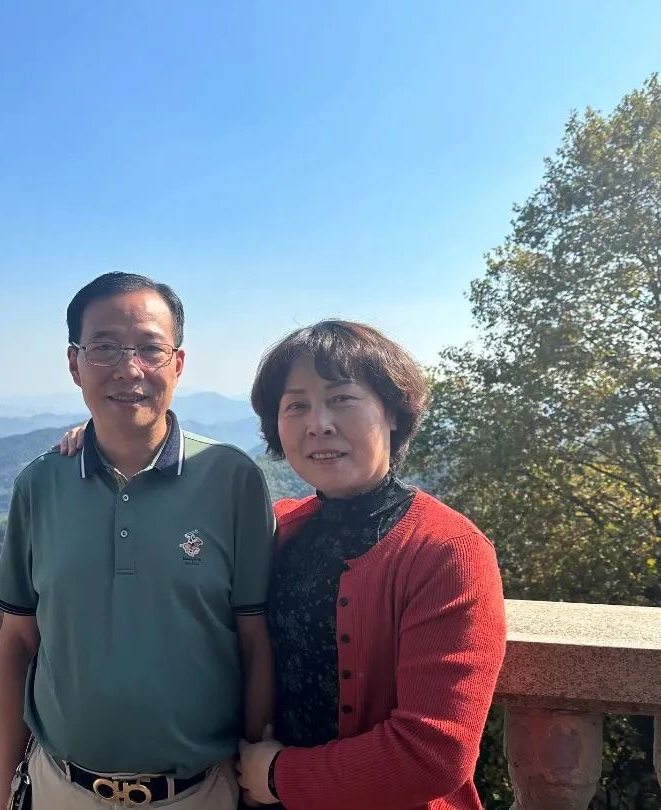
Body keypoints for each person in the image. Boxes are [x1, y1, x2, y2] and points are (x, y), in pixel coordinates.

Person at [60, 319, 507, 810]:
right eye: (296, 405)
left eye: (342, 398)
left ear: (393, 413)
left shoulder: (447, 552)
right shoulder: (281, 527)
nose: (319, 423)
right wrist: (107, 441)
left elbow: (435, 754)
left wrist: (278, 776)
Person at [0, 272, 275, 810]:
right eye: (104, 348)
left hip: (200, 793)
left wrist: (253, 790)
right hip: (59, 788)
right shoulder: (40, 484)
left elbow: (254, 642)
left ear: (178, 363)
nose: (129, 369)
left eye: (150, 348)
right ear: (74, 363)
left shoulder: (231, 480)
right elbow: (18, 643)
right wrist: (6, 788)